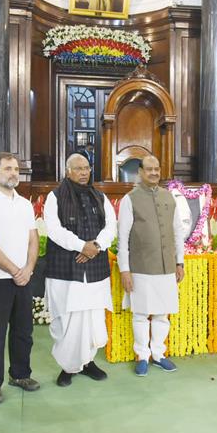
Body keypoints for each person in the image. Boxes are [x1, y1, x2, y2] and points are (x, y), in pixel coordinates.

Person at [44, 153, 117, 387]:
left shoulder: (100, 197)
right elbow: (54, 230)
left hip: (95, 268)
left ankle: (88, 362)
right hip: (65, 271)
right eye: (78, 168)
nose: (84, 172)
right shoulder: (54, 197)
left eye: (86, 168)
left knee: (92, 316)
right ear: (68, 171)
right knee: (67, 319)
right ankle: (67, 366)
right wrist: (81, 246)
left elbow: (111, 227)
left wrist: (95, 246)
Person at [0, 152, 40, 404]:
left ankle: (20, 374)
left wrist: (29, 268)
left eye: (16, 169)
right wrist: (15, 270)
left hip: (24, 276)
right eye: (8, 168)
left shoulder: (24, 203)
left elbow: (33, 239)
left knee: (24, 330)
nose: (14, 173)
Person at [118, 155, 185, 375]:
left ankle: (158, 354)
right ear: (140, 172)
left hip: (166, 267)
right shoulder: (130, 199)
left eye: (157, 169)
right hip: (140, 267)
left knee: (162, 314)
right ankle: (142, 356)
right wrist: (124, 270)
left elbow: (177, 232)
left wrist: (179, 262)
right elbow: (123, 237)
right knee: (140, 313)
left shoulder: (169, 197)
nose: (154, 173)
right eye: (149, 169)